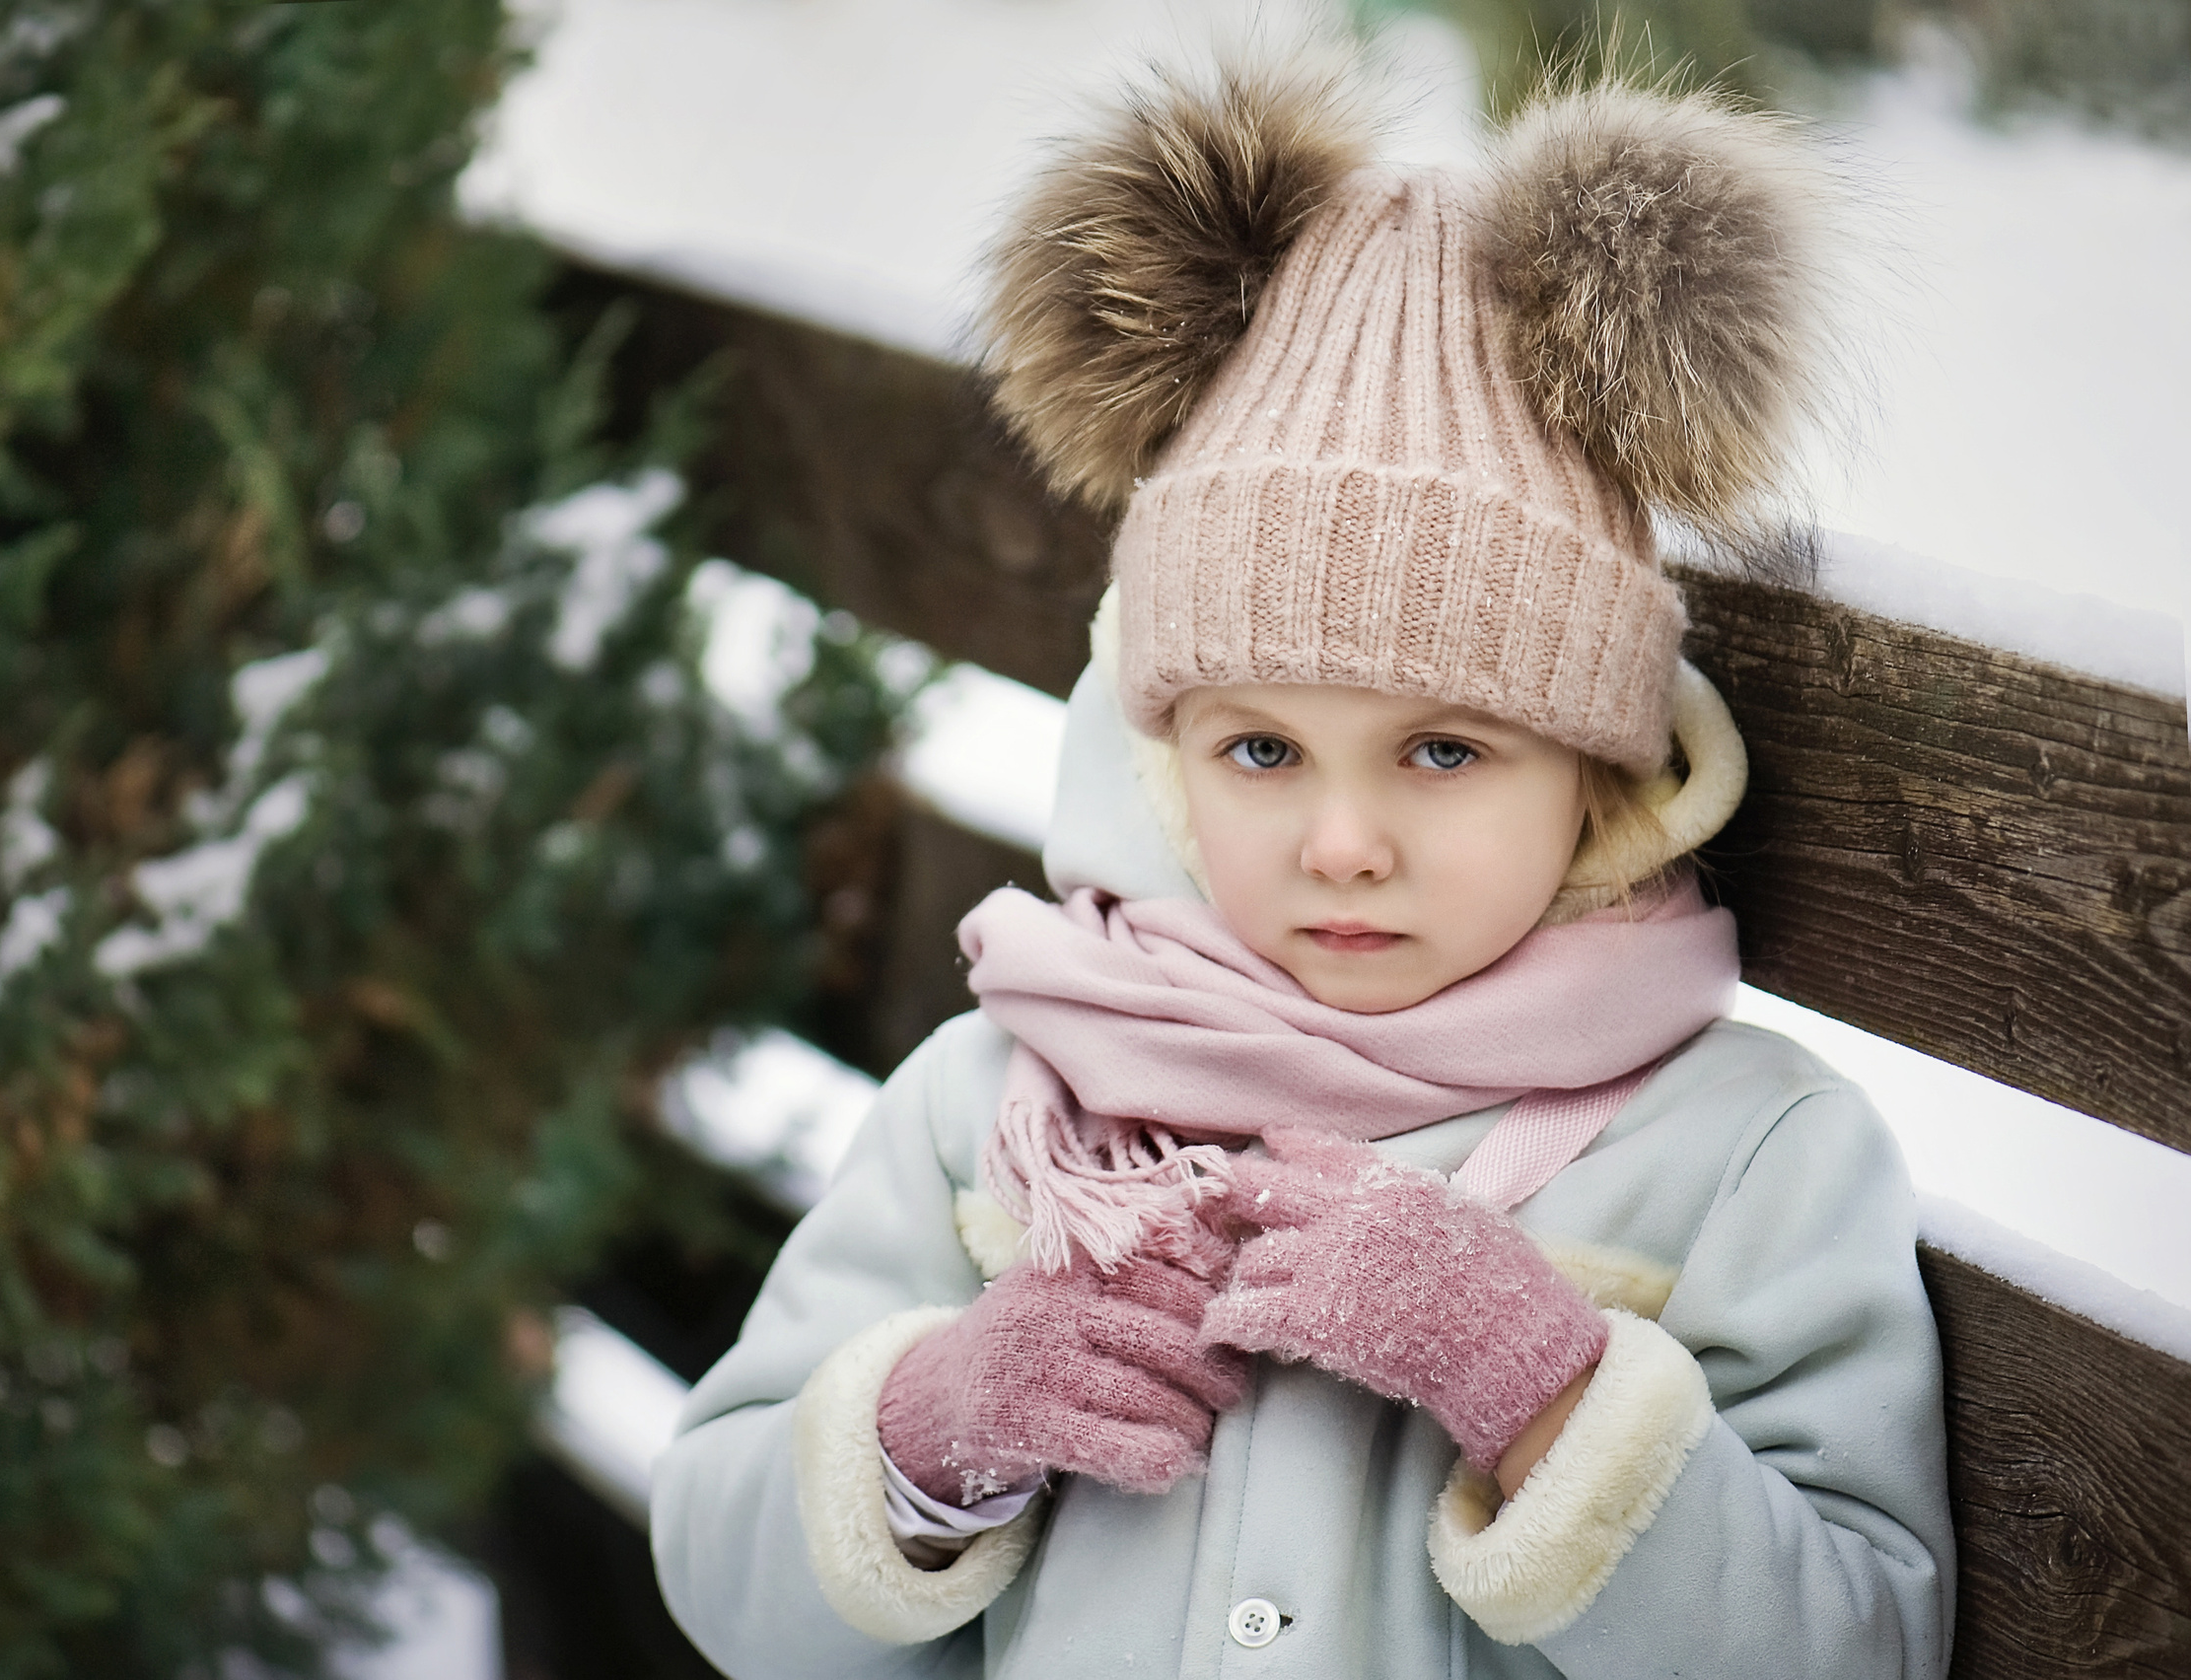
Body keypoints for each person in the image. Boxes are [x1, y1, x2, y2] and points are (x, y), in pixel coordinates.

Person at [650, 59, 1953, 1680]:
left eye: (1446, 751)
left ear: (1599, 762)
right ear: (1169, 750)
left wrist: (1548, 1391)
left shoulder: (1745, 1156)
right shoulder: (1007, 1097)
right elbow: (720, 1564)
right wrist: (930, 1433)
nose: (1344, 843)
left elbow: (1862, 1646)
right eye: (1261, 751)